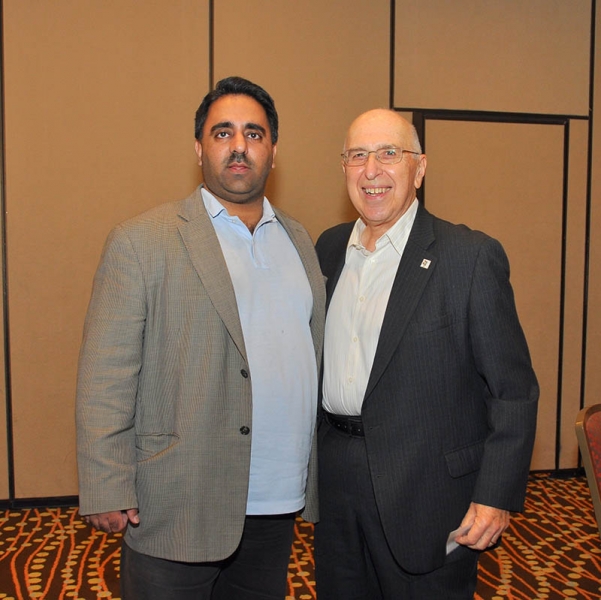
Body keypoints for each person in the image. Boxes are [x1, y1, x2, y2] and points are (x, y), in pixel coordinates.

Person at [75, 76, 325, 600]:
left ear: (273, 152)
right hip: (178, 499)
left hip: (277, 500)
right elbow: (106, 375)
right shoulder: (142, 241)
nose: (239, 146)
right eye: (223, 132)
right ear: (198, 148)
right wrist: (106, 482)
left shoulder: (300, 240)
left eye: (254, 134)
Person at [313, 109, 539, 599]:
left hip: (427, 491)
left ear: (419, 168)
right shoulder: (328, 249)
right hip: (336, 482)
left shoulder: (468, 258)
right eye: (358, 155)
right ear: (344, 168)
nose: (371, 170)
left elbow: (514, 390)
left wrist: (495, 495)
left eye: (389, 153)